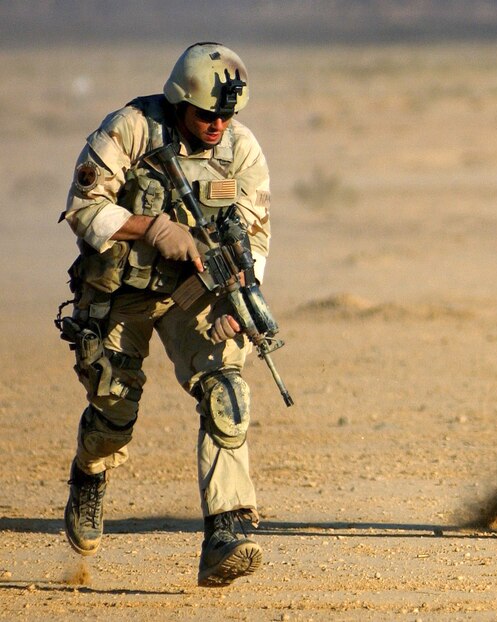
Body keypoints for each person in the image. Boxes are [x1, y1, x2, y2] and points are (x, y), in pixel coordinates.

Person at [58, 42, 272, 586]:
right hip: (122, 291)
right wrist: (151, 227)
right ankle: (89, 474)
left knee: (227, 391)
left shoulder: (241, 151)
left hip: (195, 293)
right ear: (180, 102)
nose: (218, 124)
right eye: (207, 114)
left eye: (227, 115)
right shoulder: (130, 129)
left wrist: (241, 303)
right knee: (113, 410)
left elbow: (254, 238)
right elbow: (83, 208)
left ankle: (227, 529)